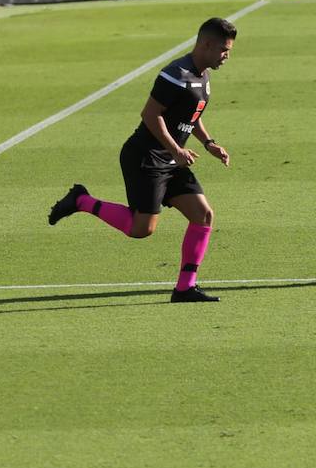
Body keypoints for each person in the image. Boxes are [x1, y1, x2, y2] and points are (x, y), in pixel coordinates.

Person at [48, 17, 237, 303]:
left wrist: (208, 143)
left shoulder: (202, 76)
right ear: (207, 44)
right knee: (141, 229)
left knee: (204, 215)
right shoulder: (176, 74)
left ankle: (185, 288)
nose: (227, 56)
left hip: (173, 158)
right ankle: (81, 201)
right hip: (146, 157)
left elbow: (191, 115)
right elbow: (150, 115)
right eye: (224, 50)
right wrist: (175, 150)